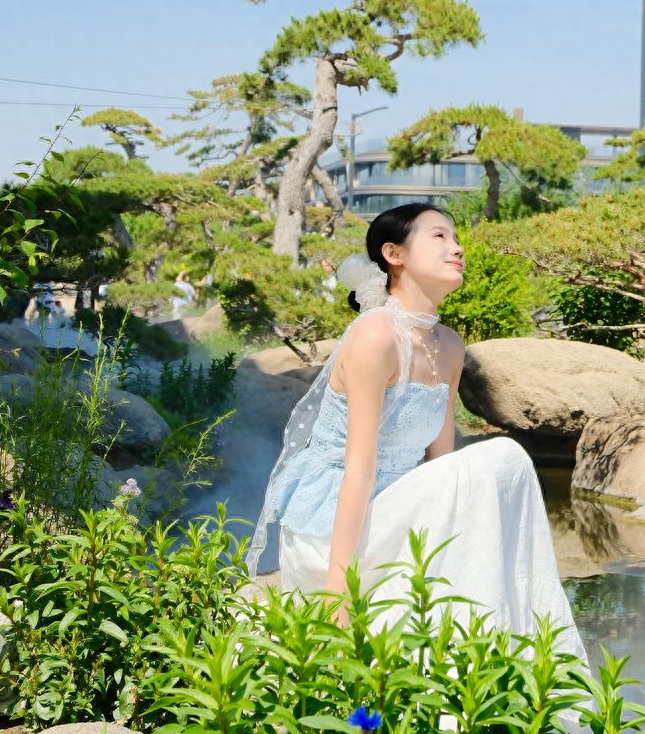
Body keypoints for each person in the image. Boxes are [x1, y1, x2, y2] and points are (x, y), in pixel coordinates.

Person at [247, 202, 588, 669]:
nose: (457, 247)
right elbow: (358, 469)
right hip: (336, 529)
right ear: (394, 254)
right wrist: (338, 594)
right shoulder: (375, 336)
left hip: (400, 513)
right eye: (439, 236)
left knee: (493, 474)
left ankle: (505, 665)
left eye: (456, 237)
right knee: (502, 455)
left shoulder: (448, 345)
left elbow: (441, 465)